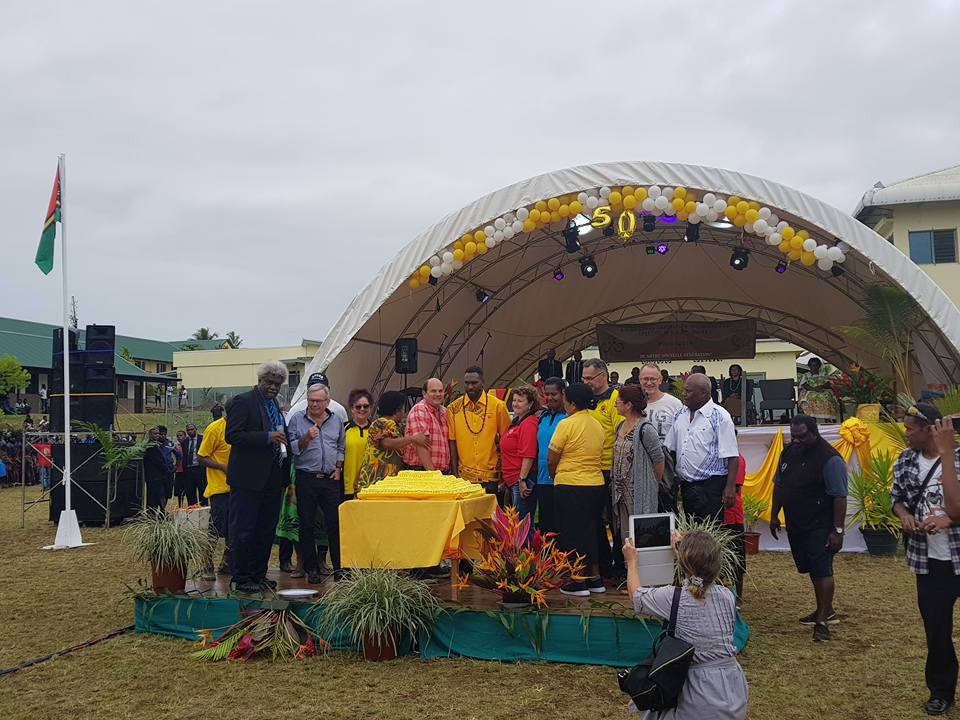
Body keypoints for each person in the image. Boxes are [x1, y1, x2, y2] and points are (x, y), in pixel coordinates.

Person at [624, 530, 748, 719]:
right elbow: (699, 582)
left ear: (684, 563)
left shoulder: (675, 597)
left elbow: (637, 597)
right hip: (732, 689)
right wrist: (684, 555)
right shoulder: (727, 596)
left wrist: (631, 561)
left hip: (699, 694)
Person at [891, 405, 960, 716]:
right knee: (937, 630)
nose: (905, 434)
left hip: (957, 553)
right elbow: (897, 499)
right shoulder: (905, 461)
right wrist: (905, 515)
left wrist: (947, 454)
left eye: (910, 429)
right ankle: (941, 691)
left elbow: (956, 511)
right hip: (930, 561)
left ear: (930, 429)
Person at [769, 415, 847, 642]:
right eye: (794, 436)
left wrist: (838, 531)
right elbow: (779, 485)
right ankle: (824, 608)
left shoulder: (830, 458)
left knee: (823, 569)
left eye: (802, 436)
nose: (797, 440)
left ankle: (822, 621)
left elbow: (840, 496)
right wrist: (774, 515)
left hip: (820, 524)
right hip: (796, 522)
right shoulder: (789, 453)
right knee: (811, 568)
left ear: (815, 433)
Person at [225, 360, 291, 593]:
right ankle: (241, 578)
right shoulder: (243, 402)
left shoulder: (274, 404)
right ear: (260, 380)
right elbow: (232, 436)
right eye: (269, 382)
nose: (273, 387)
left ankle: (258, 575)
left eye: (278, 383)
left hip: (272, 478)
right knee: (244, 529)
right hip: (247, 478)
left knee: (265, 529)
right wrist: (266, 437)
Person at [549, 382, 607, 596]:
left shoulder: (566, 424)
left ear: (571, 403)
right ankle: (595, 579)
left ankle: (577, 581)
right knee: (591, 531)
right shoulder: (597, 424)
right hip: (595, 484)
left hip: (570, 484)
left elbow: (552, 458)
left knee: (570, 534)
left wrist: (557, 476)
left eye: (564, 399)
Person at [287, 383, 346, 583]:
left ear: (327, 402)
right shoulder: (297, 420)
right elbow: (292, 448)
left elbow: (340, 447)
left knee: (334, 524)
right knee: (306, 525)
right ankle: (311, 569)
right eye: (311, 400)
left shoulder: (336, 420)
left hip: (330, 479)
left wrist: (338, 468)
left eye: (318, 401)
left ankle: (339, 568)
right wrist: (307, 437)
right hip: (306, 478)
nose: (314, 404)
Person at [665, 373, 739, 524]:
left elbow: (732, 455)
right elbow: (670, 449)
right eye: (684, 390)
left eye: (688, 391)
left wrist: (730, 488)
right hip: (686, 486)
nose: (684, 394)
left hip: (711, 486)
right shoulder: (679, 414)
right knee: (692, 533)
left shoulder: (720, 416)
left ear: (704, 393)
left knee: (710, 536)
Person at [582, 358, 625, 578]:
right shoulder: (586, 400)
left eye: (590, 378)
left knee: (615, 519)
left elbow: (620, 433)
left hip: (611, 468)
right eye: (583, 378)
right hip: (590, 469)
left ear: (603, 376)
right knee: (594, 519)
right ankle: (602, 563)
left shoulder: (615, 399)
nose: (586, 382)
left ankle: (620, 565)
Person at [611, 384, 664, 548]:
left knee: (641, 535)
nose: (615, 404)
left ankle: (641, 571)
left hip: (638, 492)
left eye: (618, 401)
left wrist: (652, 484)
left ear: (628, 405)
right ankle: (630, 569)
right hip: (620, 493)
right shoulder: (620, 426)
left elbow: (658, 460)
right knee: (625, 535)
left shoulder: (645, 429)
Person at [448, 366, 511, 495]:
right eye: (467, 383)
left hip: (491, 476)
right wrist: (455, 474)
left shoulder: (498, 406)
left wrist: (505, 475)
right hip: (464, 477)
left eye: (474, 383)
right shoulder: (453, 408)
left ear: (482, 382)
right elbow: (452, 442)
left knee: (492, 514)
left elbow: (507, 441)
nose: (470, 387)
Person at [356, 390, 429, 491]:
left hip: (389, 480)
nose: (404, 413)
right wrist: (413, 438)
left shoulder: (396, 427)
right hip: (375, 480)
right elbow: (386, 443)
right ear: (396, 409)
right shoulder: (380, 423)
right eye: (402, 409)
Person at [639, 362, 684, 512]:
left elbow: (682, 435)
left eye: (653, 379)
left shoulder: (674, 404)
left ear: (660, 380)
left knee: (666, 507)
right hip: (641, 462)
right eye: (645, 379)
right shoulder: (635, 404)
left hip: (666, 463)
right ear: (639, 380)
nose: (649, 382)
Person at [198, 404, 231, 579]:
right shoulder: (215, 428)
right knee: (216, 528)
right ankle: (206, 564)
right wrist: (221, 467)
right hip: (219, 488)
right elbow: (201, 456)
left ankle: (227, 562)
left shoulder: (242, 427)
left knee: (235, 529)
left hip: (240, 488)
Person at [501, 386, 540, 522]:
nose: (515, 404)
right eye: (514, 400)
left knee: (521, 524)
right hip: (512, 480)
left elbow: (528, 455)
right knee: (515, 523)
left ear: (530, 404)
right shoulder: (517, 422)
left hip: (522, 481)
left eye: (520, 401)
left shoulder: (529, 423)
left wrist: (522, 480)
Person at [534, 378, 567, 534]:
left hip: (560, 479)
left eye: (554, 394)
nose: (550, 398)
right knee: (545, 524)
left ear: (563, 394)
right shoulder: (542, 417)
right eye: (547, 394)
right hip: (541, 479)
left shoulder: (568, 418)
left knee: (560, 524)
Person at [402, 377, 451, 472]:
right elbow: (420, 445)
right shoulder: (419, 410)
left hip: (440, 473)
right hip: (422, 472)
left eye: (440, 391)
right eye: (433, 391)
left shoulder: (444, 412)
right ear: (424, 394)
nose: (438, 394)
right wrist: (432, 474)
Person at [723, 451, 747, 606]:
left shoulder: (736, 458)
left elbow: (733, 489)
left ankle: (738, 597)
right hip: (716, 512)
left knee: (736, 557)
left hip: (731, 515)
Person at [343, 389, 373, 500]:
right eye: (358, 406)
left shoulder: (375, 430)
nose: (362, 409)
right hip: (347, 486)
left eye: (366, 406)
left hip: (370, 485)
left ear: (370, 408)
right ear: (351, 408)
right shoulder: (343, 429)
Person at [143, 427, 172, 511]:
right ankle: (153, 515)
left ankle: (160, 514)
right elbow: (158, 461)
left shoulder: (156, 445)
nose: (157, 435)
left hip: (158, 476)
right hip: (154, 477)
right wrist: (167, 470)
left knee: (160, 496)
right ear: (150, 434)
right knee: (153, 498)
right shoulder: (151, 446)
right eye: (155, 434)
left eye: (158, 433)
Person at [799, 357, 837, 421]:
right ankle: (811, 418)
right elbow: (804, 385)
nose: (814, 367)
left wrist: (821, 386)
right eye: (812, 365)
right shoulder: (806, 375)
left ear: (819, 366)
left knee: (827, 396)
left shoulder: (824, 374)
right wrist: (814, 389)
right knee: (810, 398)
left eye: (816, 365)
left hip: (823, 389)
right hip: (810, 390)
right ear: (809, 366)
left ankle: (827, 418)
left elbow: (828, 383)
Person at [179, 423, 206, 506]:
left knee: (202, 492)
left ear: (196, 429)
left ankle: (204, 510)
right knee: (190, 493)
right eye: (188, 430)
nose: (190, 431)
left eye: (192, 429)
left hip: (199, 469)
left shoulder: (202, 439)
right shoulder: (185, 442)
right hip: (188, 470)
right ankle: (192, 512)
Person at [173, 430, 187, 507]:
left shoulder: (188, 446)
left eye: (181, 435)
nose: (179, 437)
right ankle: (180, 507)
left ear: (185, 436)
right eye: (178, 436)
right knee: (179, 491)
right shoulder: (176, 447)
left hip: (187, 471)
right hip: (179, 471)